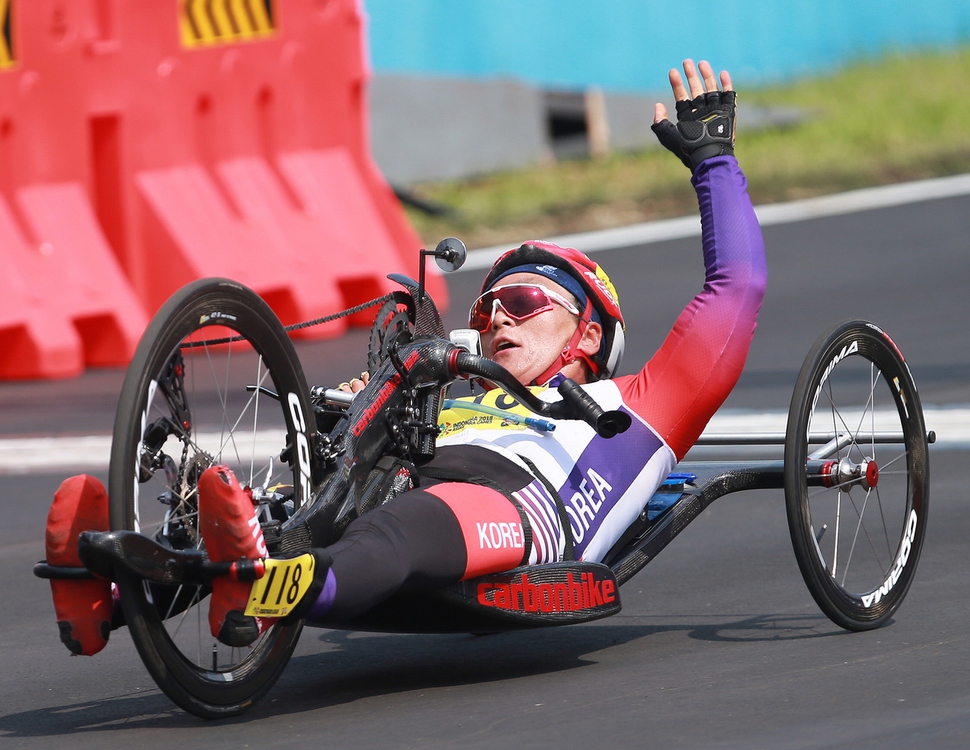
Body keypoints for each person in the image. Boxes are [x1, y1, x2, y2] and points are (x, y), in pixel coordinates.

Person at [45, 59, 767, 653]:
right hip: (399, 484)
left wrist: (714, 163)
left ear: (586, 336)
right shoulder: (453, 385)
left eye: (521, 306)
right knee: (286, 503)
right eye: (485, 311)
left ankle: (262, 587)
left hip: (518, 509)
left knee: (407, 526)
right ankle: (104, 595)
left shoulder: (634, 406)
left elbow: (737, 292)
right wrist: (362, 400)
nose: (492, 324)